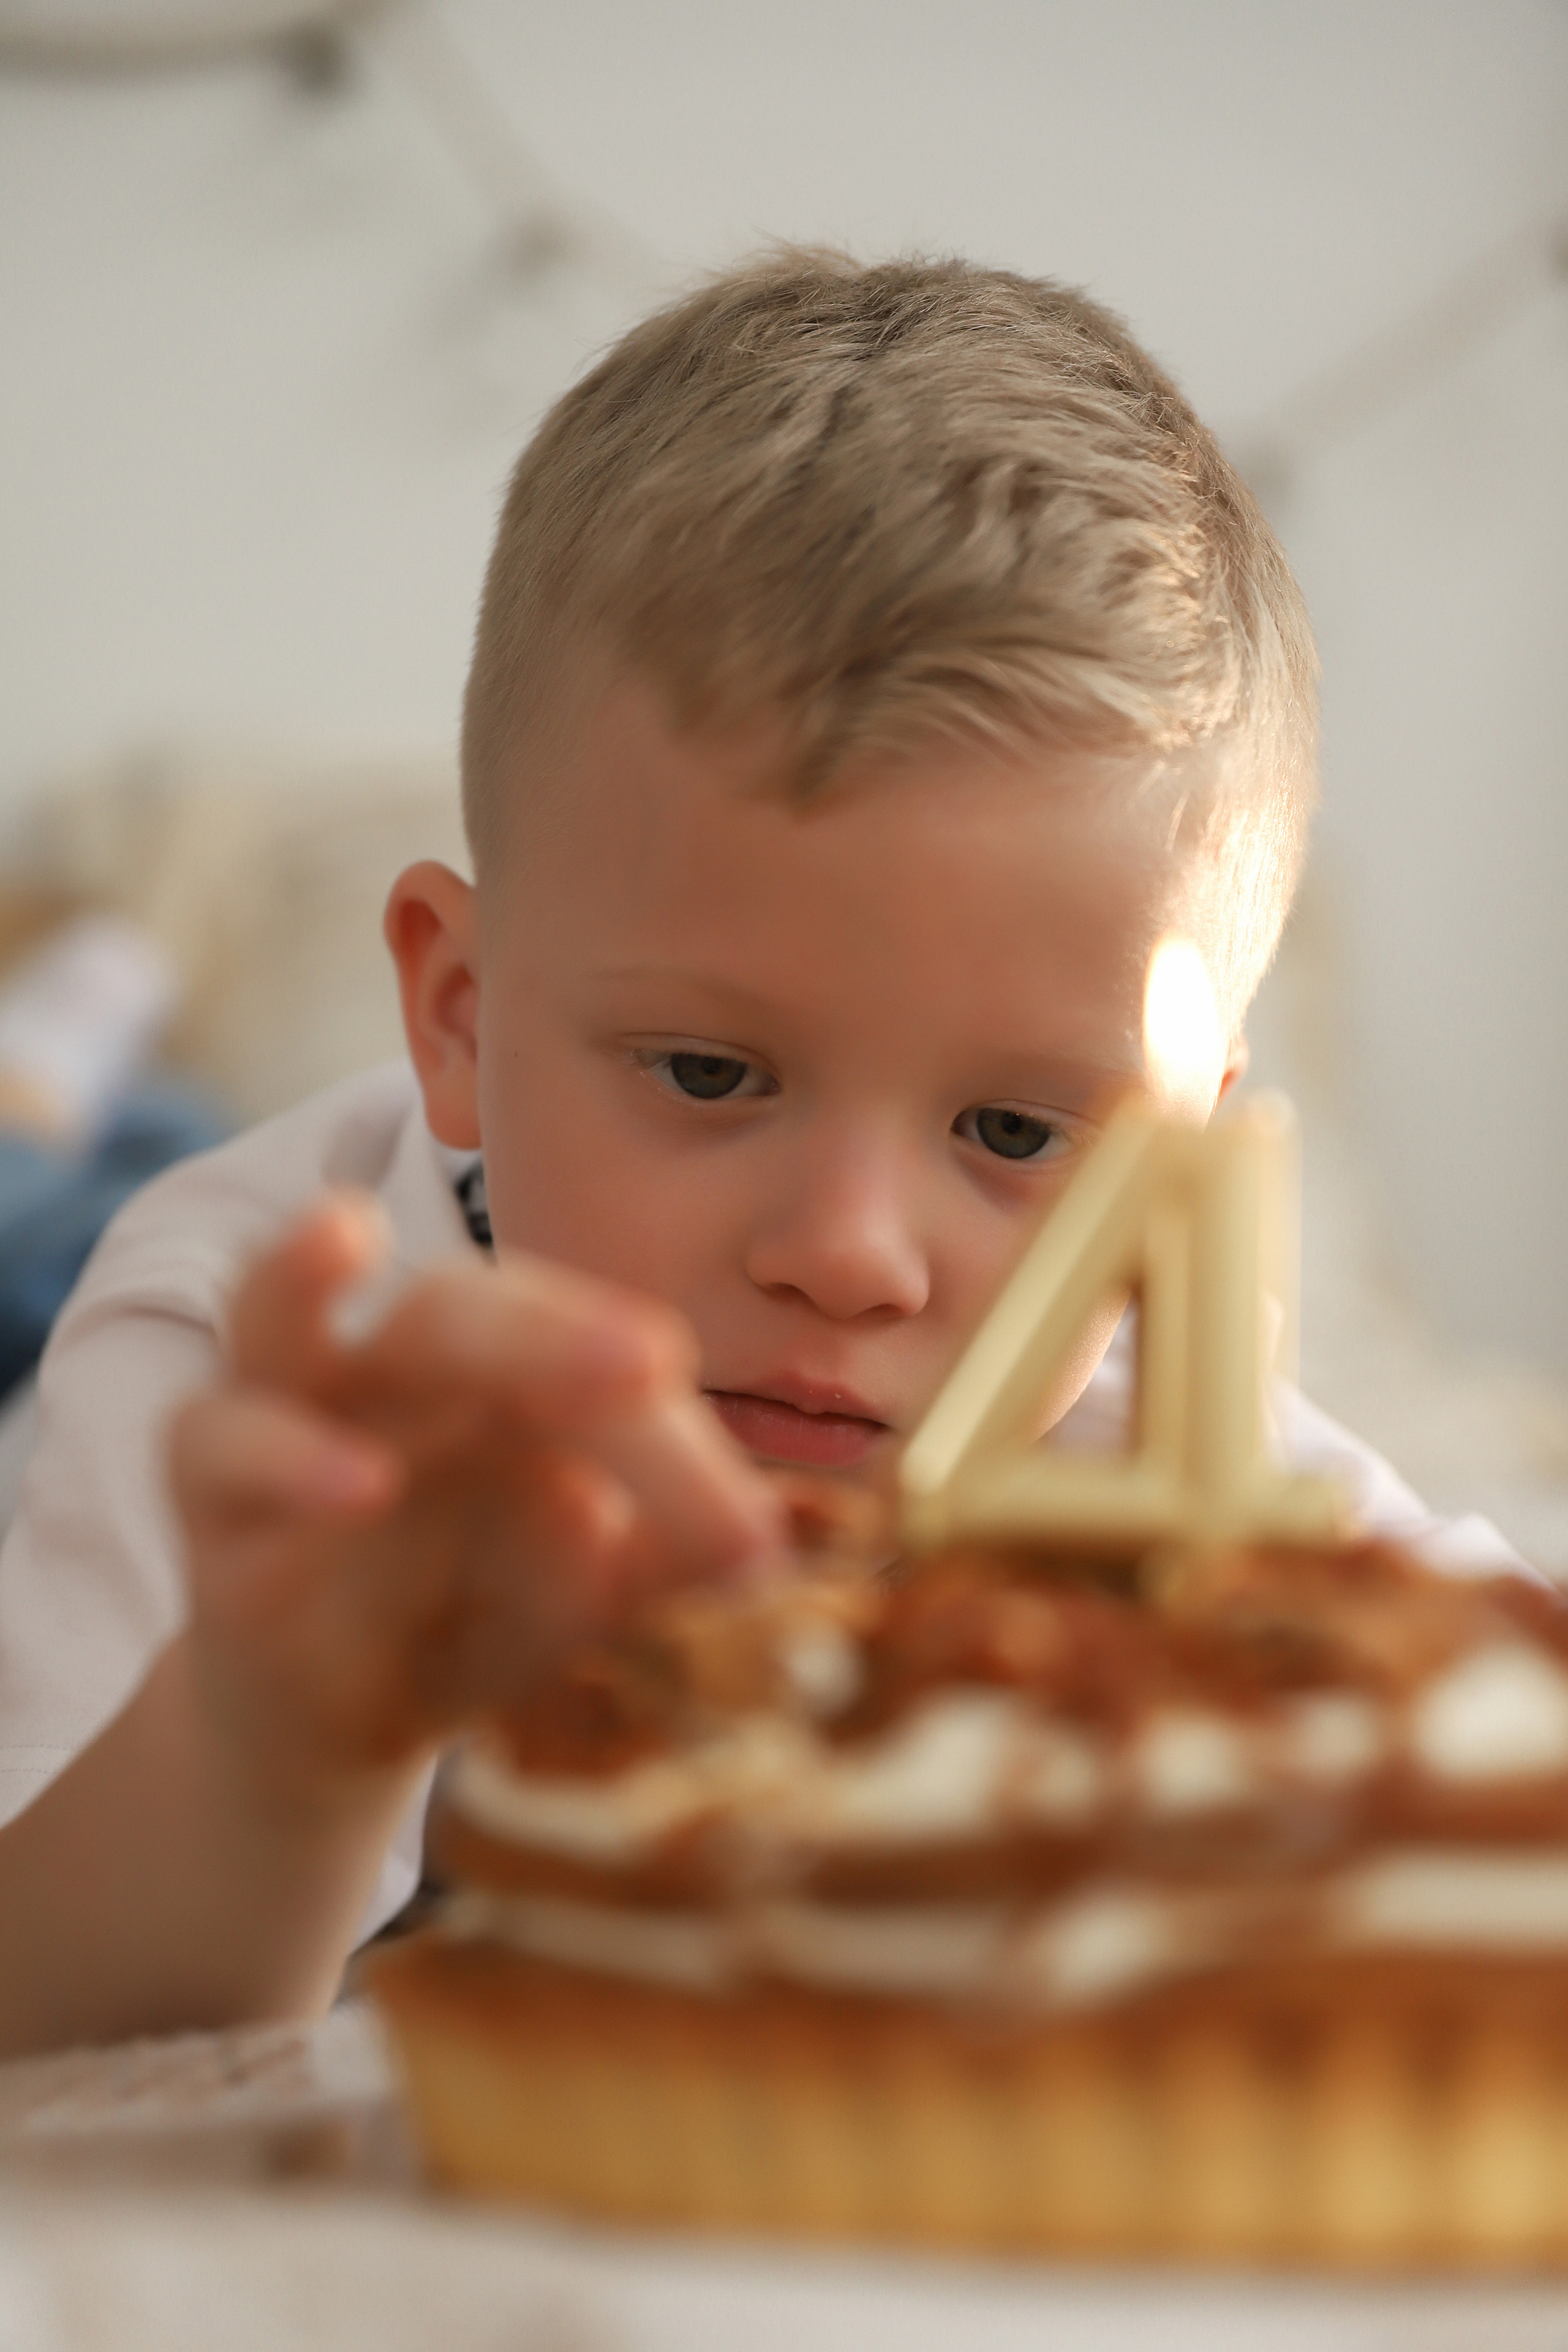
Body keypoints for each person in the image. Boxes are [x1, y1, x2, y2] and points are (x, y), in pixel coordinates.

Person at [0, 252, 1520, 2057]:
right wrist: (268, 1751)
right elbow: (48, 2034)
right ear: (462, 1016)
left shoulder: (1165, 1453)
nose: (848, 1252)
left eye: (1017, 1131)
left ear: (1181, 1178)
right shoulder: (247, 1368)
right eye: (713, 1072)